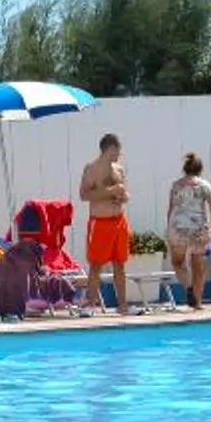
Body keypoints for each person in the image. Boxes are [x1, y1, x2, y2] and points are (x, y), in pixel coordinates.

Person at [78, 132, 130, 310]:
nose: (118, 154)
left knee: (120, 263)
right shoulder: (92, 169)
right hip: (100, 222)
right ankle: (90, 305)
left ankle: (123, 305)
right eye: (117, 150)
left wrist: (122, 196)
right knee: (96, 265)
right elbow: (84, 194)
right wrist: (110, 192)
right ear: (110, 149)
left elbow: (125, 194)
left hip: (119, 220)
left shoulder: (119, 169)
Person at [165, 152, 211, 309]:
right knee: (198, 264)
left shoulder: (176, 185)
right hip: (199, 229)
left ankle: (189, 287)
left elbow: (170, 209)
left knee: (177, 262)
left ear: (185, 168)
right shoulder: (204, 185)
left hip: (179, 228)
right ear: (200, 169)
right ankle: (197, 301)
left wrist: (168, 227)